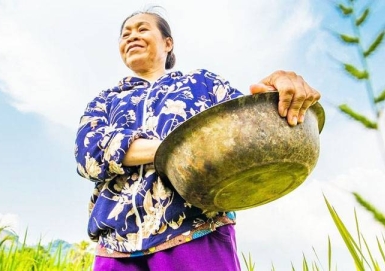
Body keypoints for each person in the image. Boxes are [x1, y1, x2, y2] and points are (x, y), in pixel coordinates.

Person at [74, 9, 321, 271]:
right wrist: (177, 148)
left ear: (168, 43)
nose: (132, 36)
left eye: (142, 29)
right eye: (125, 34)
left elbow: (248, 127)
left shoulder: (201, 84)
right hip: (116, 247)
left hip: (196, 233)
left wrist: (278, 89)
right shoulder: (106, 100)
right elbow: (88, 152)